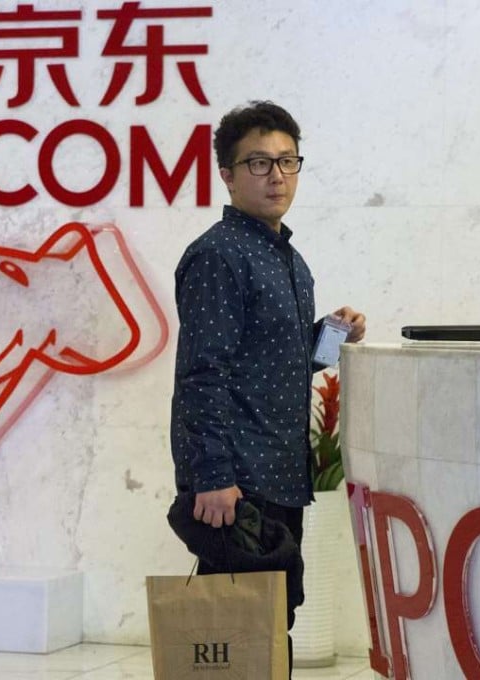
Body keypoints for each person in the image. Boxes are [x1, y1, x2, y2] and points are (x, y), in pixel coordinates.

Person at [168, 100, 365, 676]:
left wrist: (333, 335)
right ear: (226, 174)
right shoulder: (218, 256)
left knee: (268, 620)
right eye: (258, 163)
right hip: (238, 477)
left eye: (287, 161)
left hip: (280, 470)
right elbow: (203, 373)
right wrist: (212, 477)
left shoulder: (289, 259)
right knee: (234, 629)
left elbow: (281, 363)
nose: (276, 176)